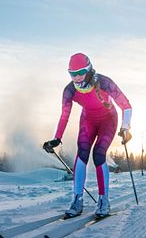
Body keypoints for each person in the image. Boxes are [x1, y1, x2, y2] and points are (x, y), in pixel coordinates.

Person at [43, 53, 132, 218]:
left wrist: (125, 127)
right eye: (72, 74)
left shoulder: (104, 82)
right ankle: (77, 200)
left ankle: (103, 200)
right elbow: (64, 115)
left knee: (99, 154)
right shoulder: (69, 91)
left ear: (89, 69)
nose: (76, 77)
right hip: (88, 121)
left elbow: (126, 105)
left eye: (80, 72)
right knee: (82, 154)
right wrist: (57, 138)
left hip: (108, 120)